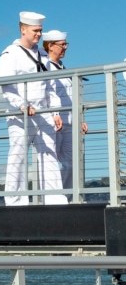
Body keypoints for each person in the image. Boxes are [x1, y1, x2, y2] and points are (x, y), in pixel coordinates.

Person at [0, 12, 62, 205]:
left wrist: (55, 112)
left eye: (41, 31)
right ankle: (15, 200)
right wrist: (21, 105)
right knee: (18, 156)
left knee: (49, 156)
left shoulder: (43, 55)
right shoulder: (10, 54)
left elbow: (50, 85)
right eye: (35, 30)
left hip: (43, 113)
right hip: (20, 115)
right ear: (23, 29)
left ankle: (54, 199)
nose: (39, 34)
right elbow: (7, 86)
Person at [43, 30, 88, 197]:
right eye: (62, 45)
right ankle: (52, 197)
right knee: (51, 164)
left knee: (71, 163)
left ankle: (67, 197)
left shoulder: (64, 69)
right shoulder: (44, 67)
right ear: (50, 46)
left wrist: (80, 118)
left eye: (65, 44)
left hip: (70, 122)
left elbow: (72, 97)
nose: (65, 48)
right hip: (53, 122)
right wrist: (53, 114)